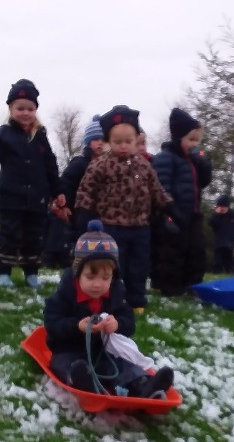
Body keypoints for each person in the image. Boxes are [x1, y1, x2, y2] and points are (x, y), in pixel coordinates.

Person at [43, 220, 174, 397]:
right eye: (91, 276)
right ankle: (80, 380)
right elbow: (52, 322)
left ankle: (144, 386)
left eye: (106, 278)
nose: (98, 284)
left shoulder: (115, 295)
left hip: (103, 353)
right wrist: (77, 326)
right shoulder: (66, 294)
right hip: (69, 349)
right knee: (65, 362)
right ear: (77, 273)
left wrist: (117, 324)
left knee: (122, 364)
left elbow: (129, 322)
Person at [74, 105, 174, 311]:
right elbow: (86, 190)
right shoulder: (101, 164)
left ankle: (137, 300)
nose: (123, 146)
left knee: (139, 265)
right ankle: (113, 299)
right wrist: (83, 213)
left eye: (128, 141)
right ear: (108, 142)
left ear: (136, 140)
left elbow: (156, 189)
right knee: (116, 265)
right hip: (110, 226)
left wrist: (170, 207)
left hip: (140, 226)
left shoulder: (144, 165)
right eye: (117, 142)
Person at [0, 79, 63, 288]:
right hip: (11, 198)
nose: (25, 113)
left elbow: (50, 164)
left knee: (34, 238)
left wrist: (58, 191)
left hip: (37, 199)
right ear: (11, 109)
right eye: (20, 108)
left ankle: (31, 273)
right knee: (8, 235)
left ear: (35, 110)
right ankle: (4, 273)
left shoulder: (40, 137)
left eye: (30, 108)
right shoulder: (2, 135)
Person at [151, 107, 213, 295]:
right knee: (173, 253)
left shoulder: (193, 160)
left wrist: (203, 163)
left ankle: (194, 285)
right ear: (179, 138)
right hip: (174, 214)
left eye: (197, 140)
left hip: (193, 214)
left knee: (196, 251)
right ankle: (171, 287)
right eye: (191, 140)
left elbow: (204, 181)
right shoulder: (166, 159)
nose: (194, 144)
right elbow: (162, 187)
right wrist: (171, 211)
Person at [46, 116, 106, 269]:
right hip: (76, 209)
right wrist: (63, 205)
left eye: (103, 139)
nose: (100, 143)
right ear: (88, 142)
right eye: (96, 139)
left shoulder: (108, 166)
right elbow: (65, 183)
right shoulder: (80, 163)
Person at [209, 195, 234, 273]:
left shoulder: (232, 216)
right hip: (219, 242)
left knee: (230, 260)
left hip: (230, 242)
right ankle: (216, 272)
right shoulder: (216, 216)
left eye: (224, 207)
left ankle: (231, 272)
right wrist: (217, 214)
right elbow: (212, 223)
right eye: (220, 206)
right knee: (217, 260)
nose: (222, 208)